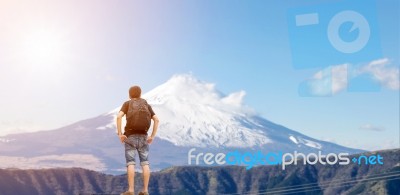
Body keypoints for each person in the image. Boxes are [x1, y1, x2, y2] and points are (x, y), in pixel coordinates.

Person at [116, 85, 159, 195]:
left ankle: (131, 190)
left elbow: (118, 117)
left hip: (130, 136)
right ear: (140, 94)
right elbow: (156, 120)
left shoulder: (127, 104)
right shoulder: (146, 105)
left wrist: (120, 134)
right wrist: (152, 136)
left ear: (129, 94)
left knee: (131, 163)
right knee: (145, 163)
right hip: (144, 137)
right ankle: (145, 190)